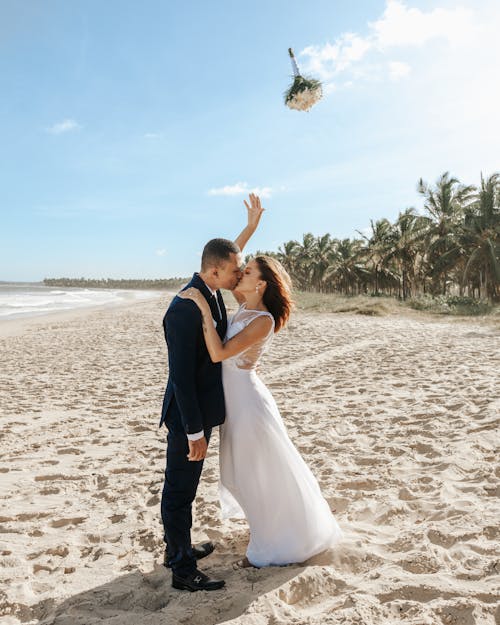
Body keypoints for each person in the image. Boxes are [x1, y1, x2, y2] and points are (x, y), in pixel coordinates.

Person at [179, 255, 343, 569]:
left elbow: (218, 353)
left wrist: (202, 307)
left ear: (262, 284)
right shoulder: (245, 303)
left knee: (256, 473)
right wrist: (251, 226)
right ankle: (268, 528)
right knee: (242, 473)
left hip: (248, 404)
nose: (242, 273)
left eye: (249, 271)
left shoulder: (262, 320)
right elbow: (222, 264)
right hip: (236, 404)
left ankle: (270, 545)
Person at [159, 194, 264, 592]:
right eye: (234, 271)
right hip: (188, 417)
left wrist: (250, 229)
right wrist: (194, 432)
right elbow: (181, 379)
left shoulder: (210, 288)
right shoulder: (185, 308)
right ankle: (182, 568)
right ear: (216, 271)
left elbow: (231, 257)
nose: (239, 276)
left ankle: (177, 547)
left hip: (203, 411)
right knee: (179, 490)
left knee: (184, 486)